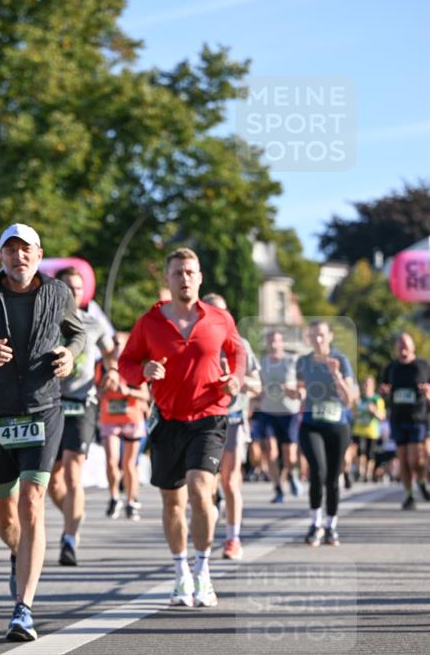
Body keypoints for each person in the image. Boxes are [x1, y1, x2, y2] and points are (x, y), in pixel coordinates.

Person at [0, 223, 85, 641]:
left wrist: (70, 354)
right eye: (11, 250)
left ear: (39, 253)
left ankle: (23, 608)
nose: (19, 257)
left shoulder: (58, 293)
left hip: (43, 410)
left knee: (32, 502)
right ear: (0, 257)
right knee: (5, 515)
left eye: (26, 250)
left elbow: (78, 332)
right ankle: (19, 553)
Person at [119, 248, 245, 608]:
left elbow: (238, 354)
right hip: (167, 419)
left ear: (200, 277)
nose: (185, 278)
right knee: (172, 502)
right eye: (178, 273)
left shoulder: (220, 318)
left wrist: (234, 380)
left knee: (200, 489)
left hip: (209, 415)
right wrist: (142, 372)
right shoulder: (150, 323)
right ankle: (181, 574)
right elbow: (127, 361)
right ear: (168, 280)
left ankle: (203, 572)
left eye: (190, 272)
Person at [48, 266, 115, 565]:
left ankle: (69, 539)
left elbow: (112, 351)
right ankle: (74, 516)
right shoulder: (46, 320)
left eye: (78, 288)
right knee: (52, 480)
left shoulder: (93, 322)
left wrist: (111, 371)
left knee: (74, 473)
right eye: (68, 288)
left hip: (81, 402)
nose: (74, 293)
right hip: (49, 403)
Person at [203, 294, 261, 560]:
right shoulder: (197, 340)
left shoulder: (240, 344)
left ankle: (233, 539)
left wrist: (237, 379)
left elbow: (258, 385)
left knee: (230, 479)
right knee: (206, 482)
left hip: (234, 417)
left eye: (223, 312)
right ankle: (209, 522)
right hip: (204, 417)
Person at [293, 321, 357, 547]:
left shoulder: (341, 360)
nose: (317, 340)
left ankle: (331, 525)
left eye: (321, 335)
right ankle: (315, 523)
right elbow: (300, 389)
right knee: (317, 473)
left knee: (332, 477)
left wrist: (336, 374)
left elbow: (349, 400)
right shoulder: (304, 361)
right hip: (311, 424)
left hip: (337, 426)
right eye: (313, 336)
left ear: (330, 336)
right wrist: (296, 392)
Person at [99, 332, 149, 520]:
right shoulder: (102, 366)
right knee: (112, 461)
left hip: (132, 419)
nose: (115, 346)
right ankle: (113, 497)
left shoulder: (134, 366)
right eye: (113, 342)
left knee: (129, 464)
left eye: (119, 343)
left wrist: (127, 391)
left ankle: (131, 501)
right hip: (109, 420)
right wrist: (103, 389)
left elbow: (145, 395)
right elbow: (95, 390)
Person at [380, 333, 430, 509]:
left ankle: (422, 481)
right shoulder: (391, 368)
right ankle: (409, 496)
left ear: (413, 347)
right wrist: (384, 393)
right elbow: (384, 390)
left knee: (415, 459)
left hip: (418, 418)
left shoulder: (424, 366)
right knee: (403, 460)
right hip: (397, 418)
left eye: (406, 346)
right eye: (400, 347)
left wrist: (427, 394)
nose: (403, 350)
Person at [253, 329, 303, 503]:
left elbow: (303, 386)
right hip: (268, 411)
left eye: (276, 341)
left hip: (289, 412)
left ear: (282, 343)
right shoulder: (262, 363)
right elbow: (257, 386)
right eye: (270, 341)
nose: (273, 344)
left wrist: (296, 392)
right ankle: (278, 488)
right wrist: (255, 399)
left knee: (289, 455)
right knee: (270, 451)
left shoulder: (292, 361)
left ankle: (292, 475)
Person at [351, 375, 386, 482]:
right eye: (365, 383)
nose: (366, 386)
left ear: (373, 385)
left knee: (370, 454)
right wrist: (356, 410)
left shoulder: (377, 399)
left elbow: (382, 416)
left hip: (372, 431)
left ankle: (368, 474)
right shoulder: (358, 399)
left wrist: (374, 411)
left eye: (369, 383)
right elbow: (352, 414)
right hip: (359, 430)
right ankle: (361, 472)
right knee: (360, 452)